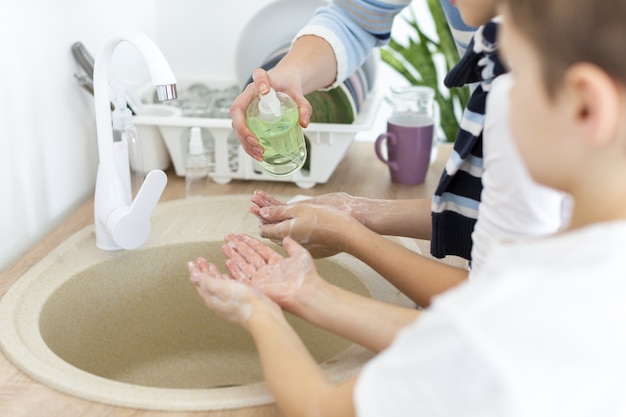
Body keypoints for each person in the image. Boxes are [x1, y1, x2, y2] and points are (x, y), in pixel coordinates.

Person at [189, 0, 626, 414]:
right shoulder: (562, 281)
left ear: (586, 107)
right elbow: (465, 339)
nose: (488, 104)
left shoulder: (508, 314)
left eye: (506, 79)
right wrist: (309, 289)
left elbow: (320, 407)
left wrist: (259, 312)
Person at [236, 0, 567, 307]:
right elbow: (499, 221)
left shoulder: (525, 100)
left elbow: (489, 305)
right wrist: (357, 213)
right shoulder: (518, 79)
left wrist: (345, 238)